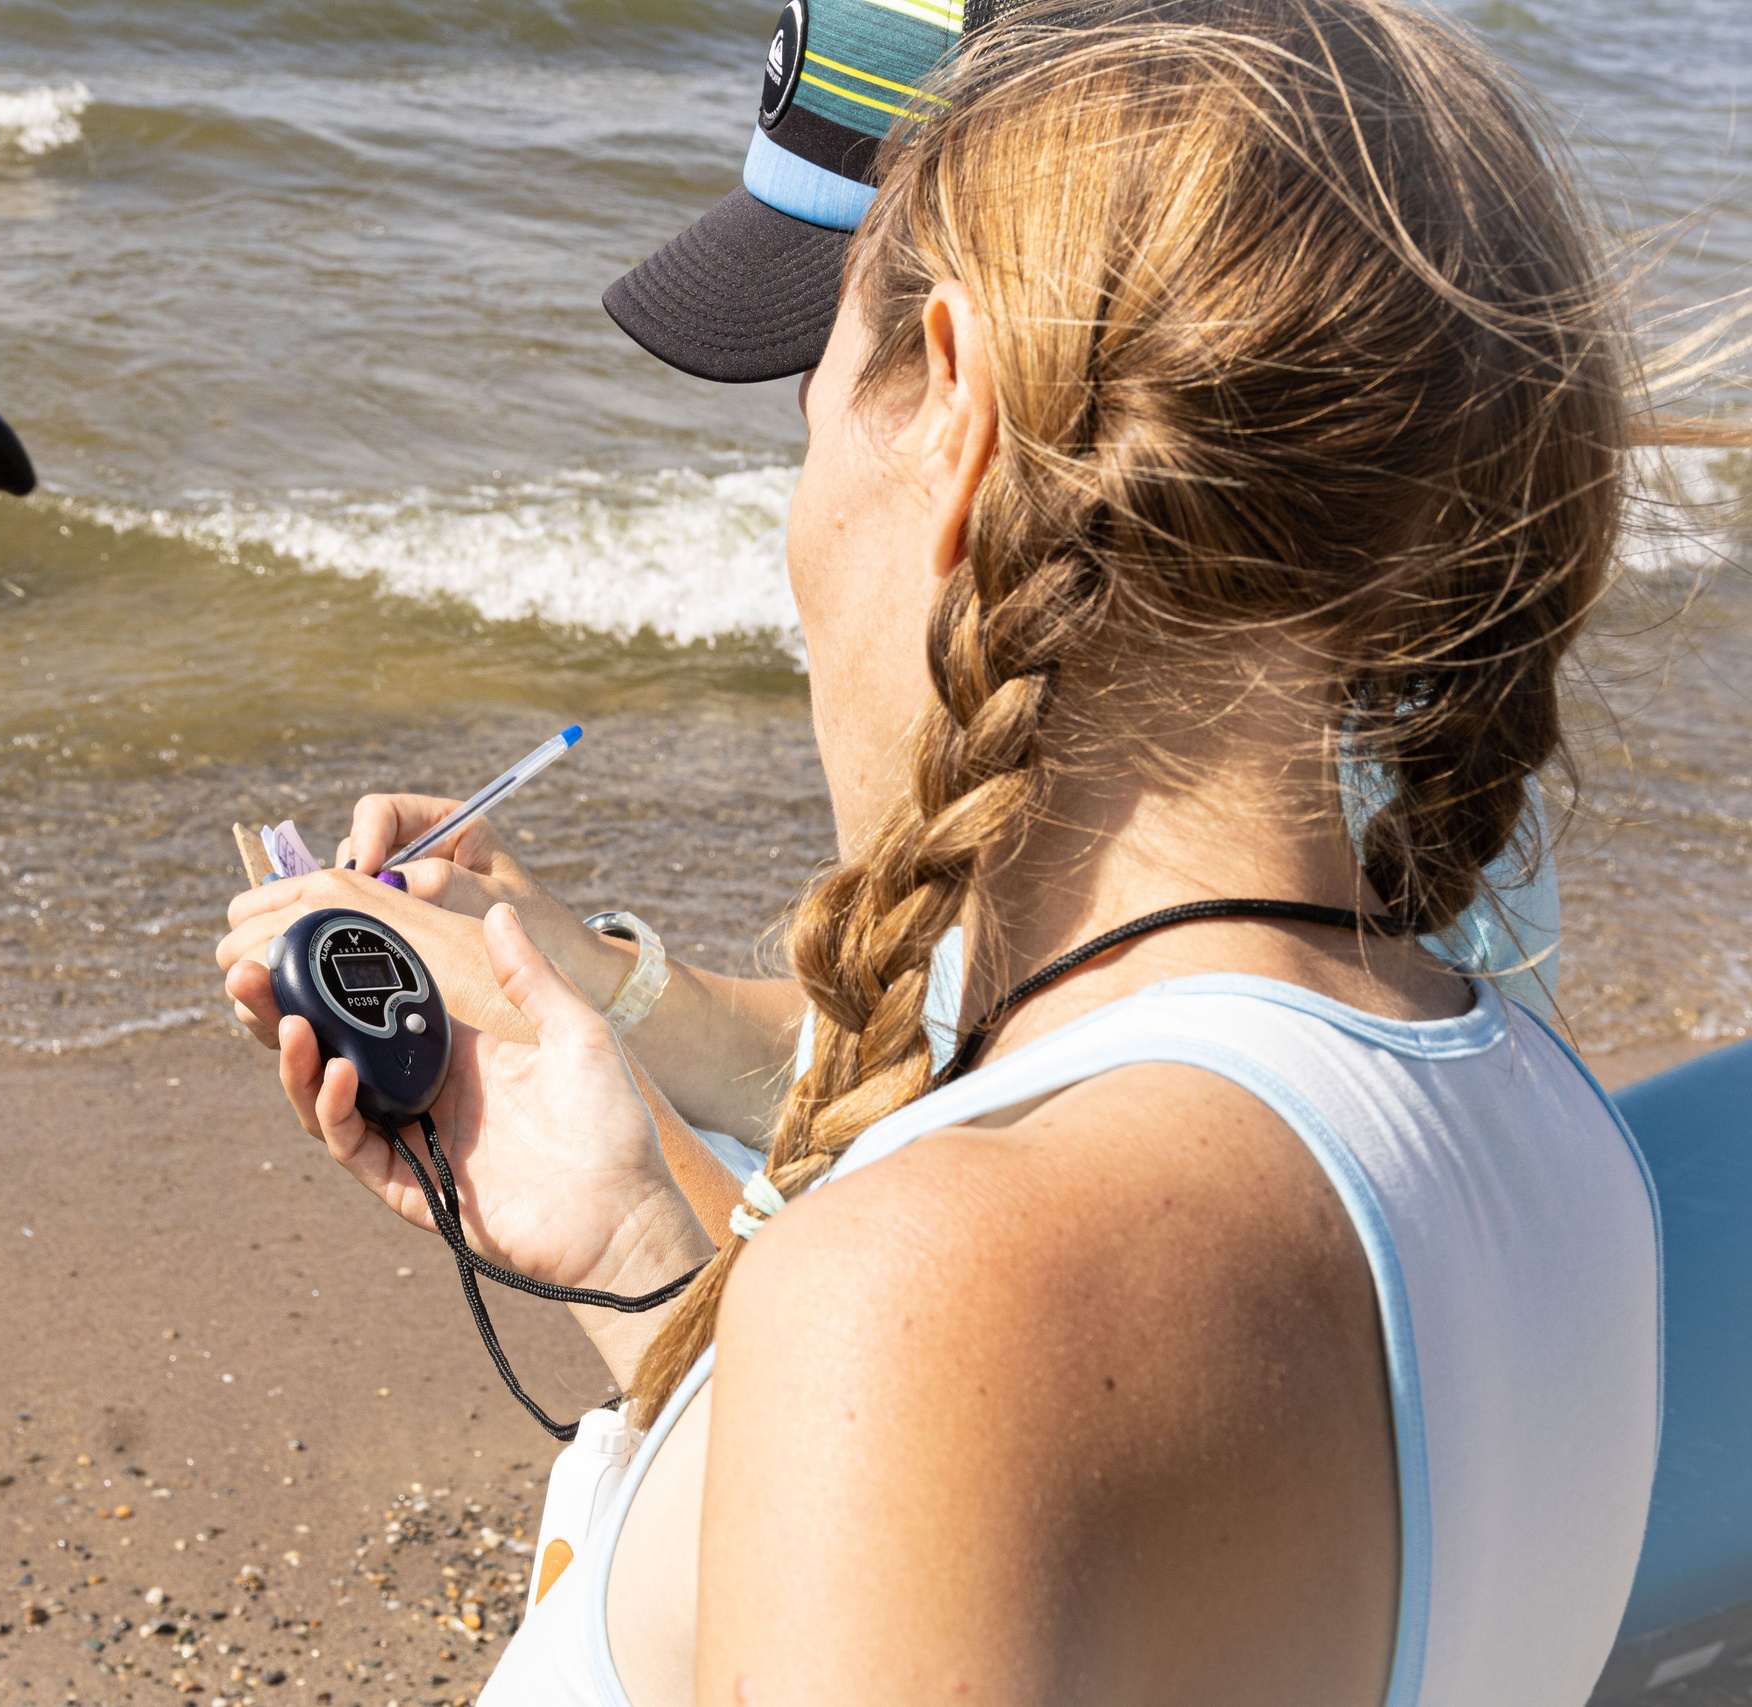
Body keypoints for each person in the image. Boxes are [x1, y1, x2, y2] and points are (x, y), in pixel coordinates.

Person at [213, 0, 1660, 1701]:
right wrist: (640, 1250)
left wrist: (829, 1307)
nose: (798, 538)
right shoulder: (1552, 1139)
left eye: (812, 418)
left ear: (960, 417)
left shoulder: (935, 1300)